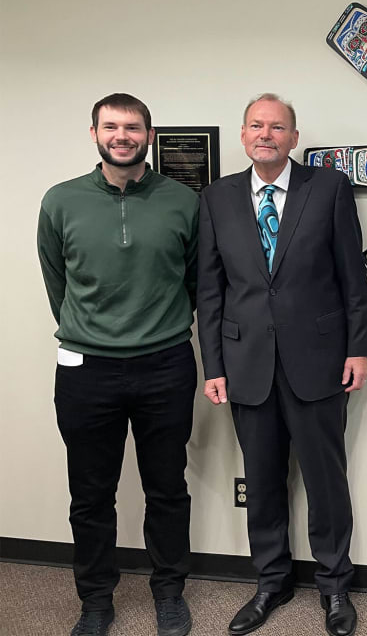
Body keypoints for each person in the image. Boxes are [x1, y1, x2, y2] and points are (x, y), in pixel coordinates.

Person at [197, 93, 367, 636]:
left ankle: (335, 586)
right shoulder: (216, 198)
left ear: (294, 138)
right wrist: (214, 366)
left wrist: (358, 348)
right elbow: (210, 291)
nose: (266, 134)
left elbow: (353, 277)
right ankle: (270, 582)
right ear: (243, 135)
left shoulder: (328, 189)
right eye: (256, 125)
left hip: (319, 361)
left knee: (325, 480)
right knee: (263, 480)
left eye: (277, 127)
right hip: (246, 362)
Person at [37, 93, 199, 636]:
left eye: (133, 127)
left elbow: (197, 282)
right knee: (90, 493)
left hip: (165, 364)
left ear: (149, 135)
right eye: (111, 127)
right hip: (87, 371)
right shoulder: (60, 201)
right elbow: (57, 281)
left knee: (167, 487)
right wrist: (94, 330)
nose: (122, 135)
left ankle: (169, 592)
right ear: (94, 134)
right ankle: (96, 601)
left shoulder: (183, 201)